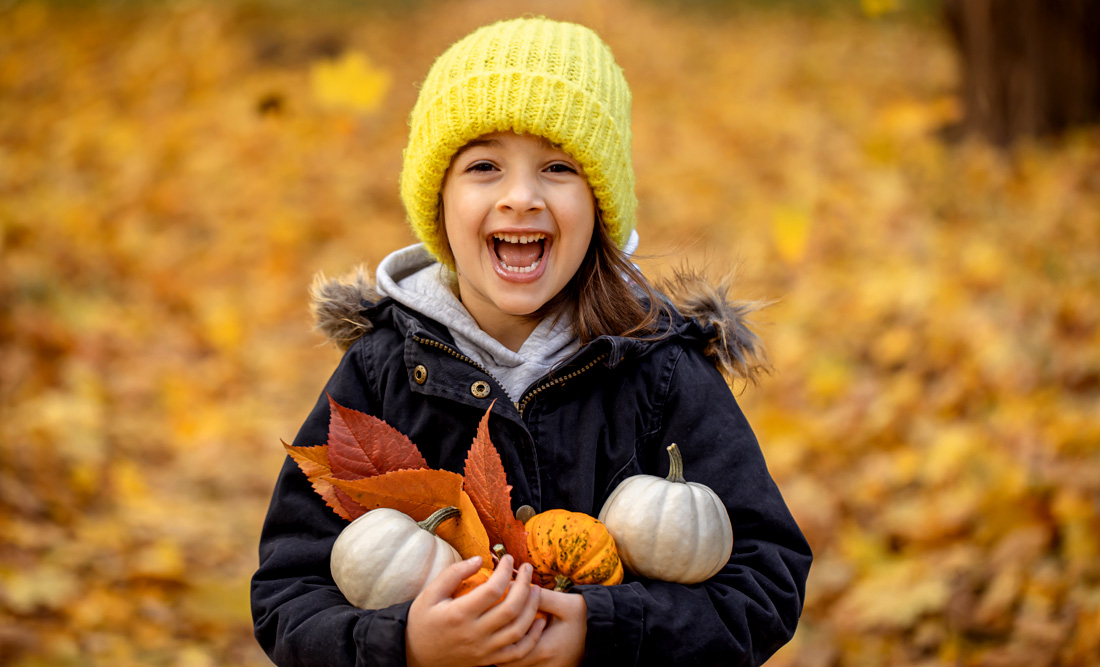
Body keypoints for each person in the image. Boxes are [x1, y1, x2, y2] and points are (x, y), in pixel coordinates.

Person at [251, 16, 811, 667]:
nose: (521, 197)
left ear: (601, 203)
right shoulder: (383, 371)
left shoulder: (660, 370)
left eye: (557, 167)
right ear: (438, 201)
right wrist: (407, 644)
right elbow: (288, 593)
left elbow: (765, 581)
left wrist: (601, 631)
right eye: (484, 165)